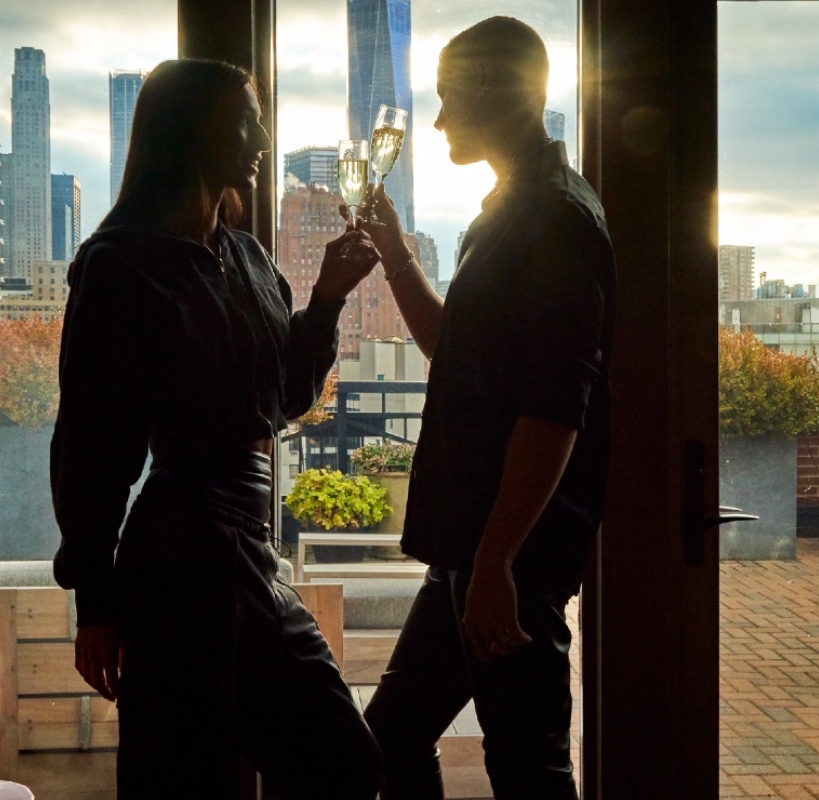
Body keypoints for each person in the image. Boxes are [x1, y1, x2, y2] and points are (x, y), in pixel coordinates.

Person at [50, 59, 382, 799]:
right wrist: (95, 604)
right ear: (192, 132)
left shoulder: (246, 256)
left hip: (245, 545)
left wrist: (326, 300)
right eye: (246, 119)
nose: (262, 136)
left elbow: (286, 399)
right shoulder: (120, 267)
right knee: (211, 776)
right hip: (182, 556)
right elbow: (91, 447)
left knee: (328, 763)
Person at [356, 17, 617, 800]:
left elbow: (554, 411)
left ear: (500, 92)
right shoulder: (508, 209)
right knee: (398, 737)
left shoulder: (553, 220)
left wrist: (500, 564)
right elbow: (456, 351)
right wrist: (398, 256)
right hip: (480, 551)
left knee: (527, 766)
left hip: (512, 556)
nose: (435, 123)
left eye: (447, 100)